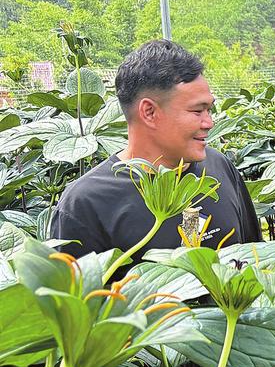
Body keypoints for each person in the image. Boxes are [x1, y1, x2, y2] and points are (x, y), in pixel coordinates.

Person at [50, 40, 261, 260]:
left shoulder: (218, 166)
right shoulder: (86, 203)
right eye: (198, 111)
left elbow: (255, 260)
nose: (209, 122)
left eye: (209, 109)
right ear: (149, 112)